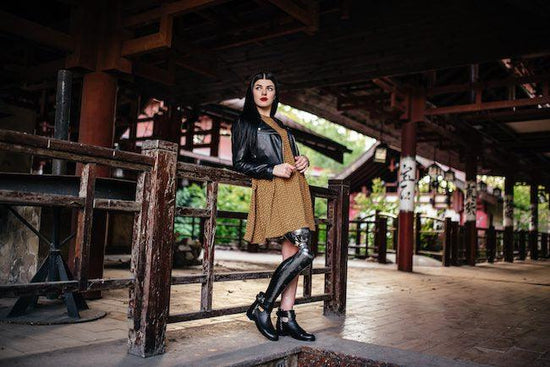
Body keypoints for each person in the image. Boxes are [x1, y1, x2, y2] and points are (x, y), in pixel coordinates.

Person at [231, 72, 316, 342]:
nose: (264, 92)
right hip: (275, 187)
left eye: (269, 88)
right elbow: (240, 163)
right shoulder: (245, 122)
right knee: (304, 252)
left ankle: (287, 317)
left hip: (295, 187)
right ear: (251, 92)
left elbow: (289, 155)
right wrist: (271, 169)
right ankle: (264, 306)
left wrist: (303, 160)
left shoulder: (279, 124)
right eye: (258, 87)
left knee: (293, 255)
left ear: (275, 94)